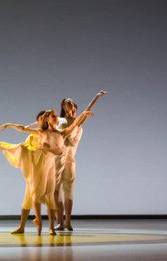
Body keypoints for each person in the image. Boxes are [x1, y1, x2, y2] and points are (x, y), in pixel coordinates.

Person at [0, 108, 92, 235]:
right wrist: (9, 125)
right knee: (31, 196)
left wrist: (83, 114)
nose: (56, 118)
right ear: (46, 120)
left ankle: (50, 227)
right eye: (52, 116)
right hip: (36, 167)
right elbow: (23, 132)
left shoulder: (61, 133)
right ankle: (33, 225)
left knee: (50, 196)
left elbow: (75, 125)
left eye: (55, 116)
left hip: (50, 166)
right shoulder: (38, 134)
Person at [55, 90, 107, 231]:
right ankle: (59, 221)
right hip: (57, 158)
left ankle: (68, 222)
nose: (71, 104)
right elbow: (42, 123)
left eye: (72, 102)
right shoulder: (58, 120)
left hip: (70, 159)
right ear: (63, 106)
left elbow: (87, 110)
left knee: (68, 191)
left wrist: (96, 96)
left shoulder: (77, 122)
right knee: (56, 191)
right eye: (68, 102)